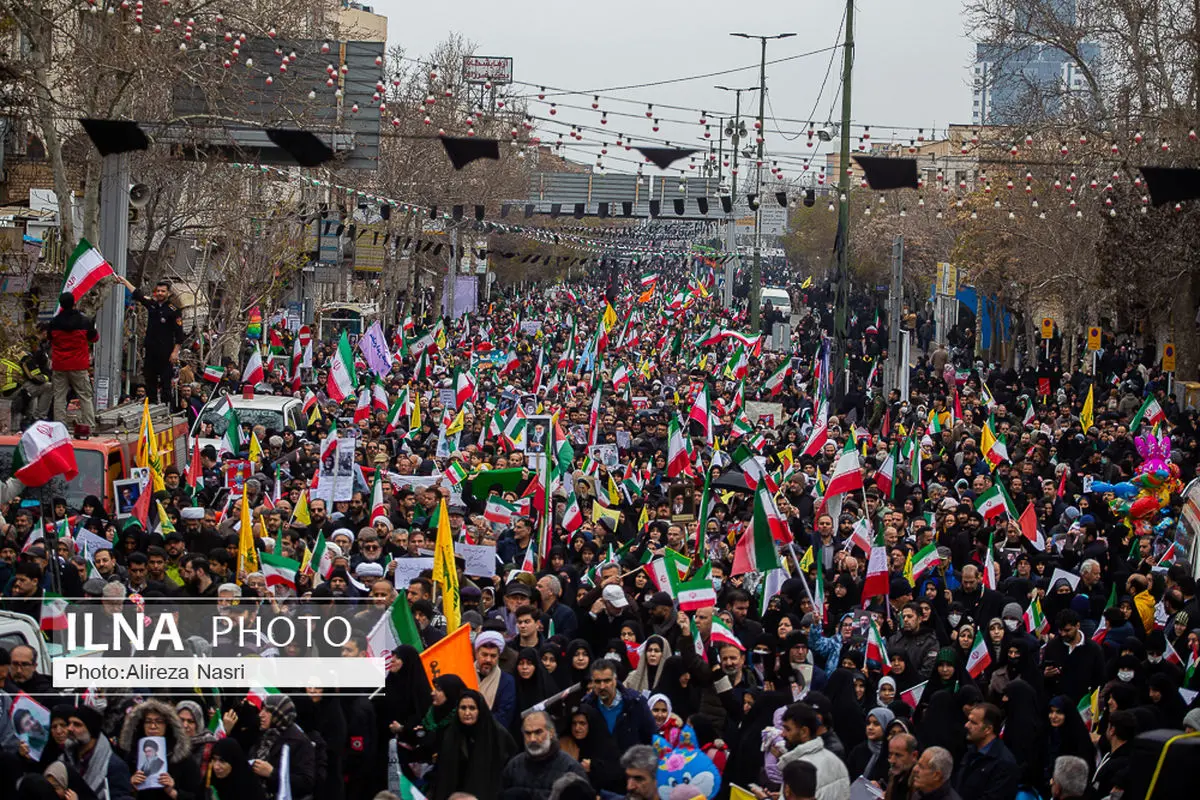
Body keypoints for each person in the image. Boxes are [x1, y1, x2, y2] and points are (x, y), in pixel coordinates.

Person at [430, 689, 516, 800]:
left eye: (472, 708)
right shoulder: (451, 734)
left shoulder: (497, 734)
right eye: (463, 708)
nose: (467, 713)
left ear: (480, 710)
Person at [119, 276, 183, 404]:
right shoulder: (152, 305)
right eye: (158, 291)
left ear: (168, 293)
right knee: (150, 381)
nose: (160, 293)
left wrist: (175, 352)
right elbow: (139, 295)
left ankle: (166, 408)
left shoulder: (173, 310)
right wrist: (125, 281)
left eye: (163, 291)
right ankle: (152, 405)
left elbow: (180, 335)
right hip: (151, 351)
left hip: (165, 353)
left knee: (165, 383)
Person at [500, 709, 588, 796]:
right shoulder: (514, 766)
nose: (532, 739)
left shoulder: (571, 768)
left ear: (551, 733)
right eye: (528, 733)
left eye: (538, 732)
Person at [44, 291, 97, 429]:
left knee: (59, 397)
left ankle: (60, 427)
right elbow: (94, 338)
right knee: (85, 396)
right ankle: (89, 426)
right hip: (79, 365)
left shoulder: (54, 322)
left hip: (60, 365)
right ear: (74, 303)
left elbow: (49, 339)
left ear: (61, 304)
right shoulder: (84, 321)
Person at [777, 702, 850, 800]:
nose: (783, 734)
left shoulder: (801, 769)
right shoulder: (836, 761)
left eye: (788, 729)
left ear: (804, 732)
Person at [579, 659, 656, 752]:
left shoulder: (636, 703)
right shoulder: (586, 705)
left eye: (607, 681)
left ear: (615, 680)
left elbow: (651, 737)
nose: (602, 686)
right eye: (598, 682)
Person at [953, 704, 1019, 800]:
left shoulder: (1004, 763)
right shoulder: (970, 751)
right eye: (968, 720)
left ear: (988, 729)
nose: (966, 725)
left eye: (973, 722)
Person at [886, 733, 920, 800]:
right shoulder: (895, 774)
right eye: (890, 754)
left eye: (898, 755)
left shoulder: (919, 780)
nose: (892, 760)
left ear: (914, 755)